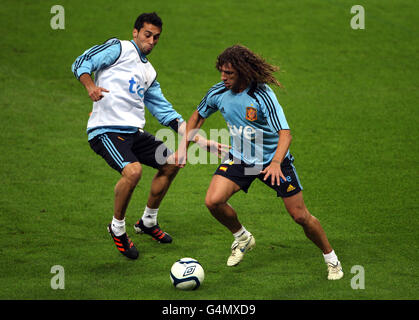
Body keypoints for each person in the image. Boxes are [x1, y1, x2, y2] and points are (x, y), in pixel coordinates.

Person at [175, 45, 343, 280]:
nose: (223, 78)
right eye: (221, 72)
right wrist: (183, 147)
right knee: (213, 201)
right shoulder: (218, 92)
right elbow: (198, 115)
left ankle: (331, 259)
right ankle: (242, 237)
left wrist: (275, 163)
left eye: (229, 73)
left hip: (274, 163)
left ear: (243, 72)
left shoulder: (262, 95)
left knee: (300, 216)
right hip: (241, 159)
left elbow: (285, 133)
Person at [71, 12, 227, 260]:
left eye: (156, 37)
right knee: (133, 172)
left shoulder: (148, 72)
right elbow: (81, 62)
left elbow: (167, 113)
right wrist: (90, 86)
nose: (151, 41)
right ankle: (117, 228)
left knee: (173, 163)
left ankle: (147, 221)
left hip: (134, 133)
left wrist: (201, 140)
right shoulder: (119, 48)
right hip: (106, 130)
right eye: (147, 35)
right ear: (135, 32)